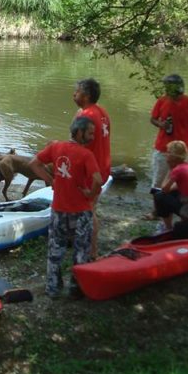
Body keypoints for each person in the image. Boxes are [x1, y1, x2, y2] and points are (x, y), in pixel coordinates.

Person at [29, 116, 102, 298]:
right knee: (81, 251)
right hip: (81, 212)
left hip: (59, 210)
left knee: (55, 249)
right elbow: (98, 180)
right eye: (90, 133)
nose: (93, 137)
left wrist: (51, 180)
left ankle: (52, 288)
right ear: (79, 132)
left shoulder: (56, 147)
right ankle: (76, 289)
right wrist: (90, 194)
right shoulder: (87, 155)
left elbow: (34, 164)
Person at [147, 73, 188, 218]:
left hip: (183, 152)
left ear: (177, 87)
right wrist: (161, 124)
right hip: (163, 149)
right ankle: (156, 211)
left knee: (182, 183)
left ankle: (179, 210)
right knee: (158, 182)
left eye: (168, 87)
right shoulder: (162, 101)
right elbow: (152, 119)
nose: (165, 89)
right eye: (165, 87)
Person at [73, 77, 110, 260]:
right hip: (102, 166)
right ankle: (85, 244)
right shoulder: (102, 112)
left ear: (86, 96)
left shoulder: (85, 116)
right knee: (90, 207)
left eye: (77, 91)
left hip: (90, 170)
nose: (74, 94)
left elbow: (77, 145)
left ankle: (92, 252)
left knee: (88, 210)